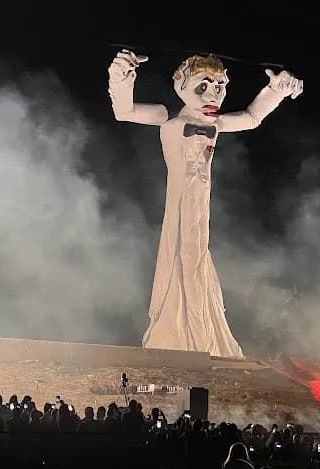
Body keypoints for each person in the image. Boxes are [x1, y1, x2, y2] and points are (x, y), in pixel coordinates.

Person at [108, 50, 303, 357]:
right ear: (182, 85)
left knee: (197, 257)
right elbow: (124, 111)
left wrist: (275, 90)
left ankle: (202, 336)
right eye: (205, 84)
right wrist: (121, 75)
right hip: (181, 203)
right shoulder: (166, 116)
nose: (214, 92)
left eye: (220, 86)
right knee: (180, 257)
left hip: (201, 209)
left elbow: (253, 118)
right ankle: (179, 337)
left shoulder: (216, 122)